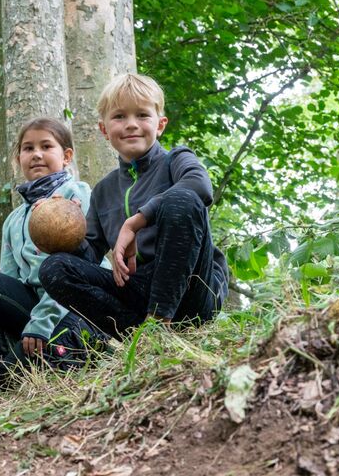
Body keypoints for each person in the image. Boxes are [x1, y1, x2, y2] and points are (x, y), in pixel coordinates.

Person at [37, 73, 228, 338]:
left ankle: (159, 320)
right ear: (104, 129)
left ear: (160, 124)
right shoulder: (104, 190)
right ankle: (139, 336)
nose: (131, 125)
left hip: (193, 287)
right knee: (54, 268)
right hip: (138, 291)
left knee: (181, 199)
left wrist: (139, 219)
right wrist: (62, 225)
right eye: (119, 117)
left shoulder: (176, 160)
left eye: (142, 115)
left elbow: (200, 187)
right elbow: (88, 254)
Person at [0, 117, 103, 369]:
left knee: (13, 373)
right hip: (35, 310)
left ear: (67, 156)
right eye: (28, 148)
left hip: (78, 306)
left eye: (46, 146)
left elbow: (77, 270)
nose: (37, 154)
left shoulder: (77, 194)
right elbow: (9, 281)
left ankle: (65, 344)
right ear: (18, 159)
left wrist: (41, 323)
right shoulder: (13, 220)